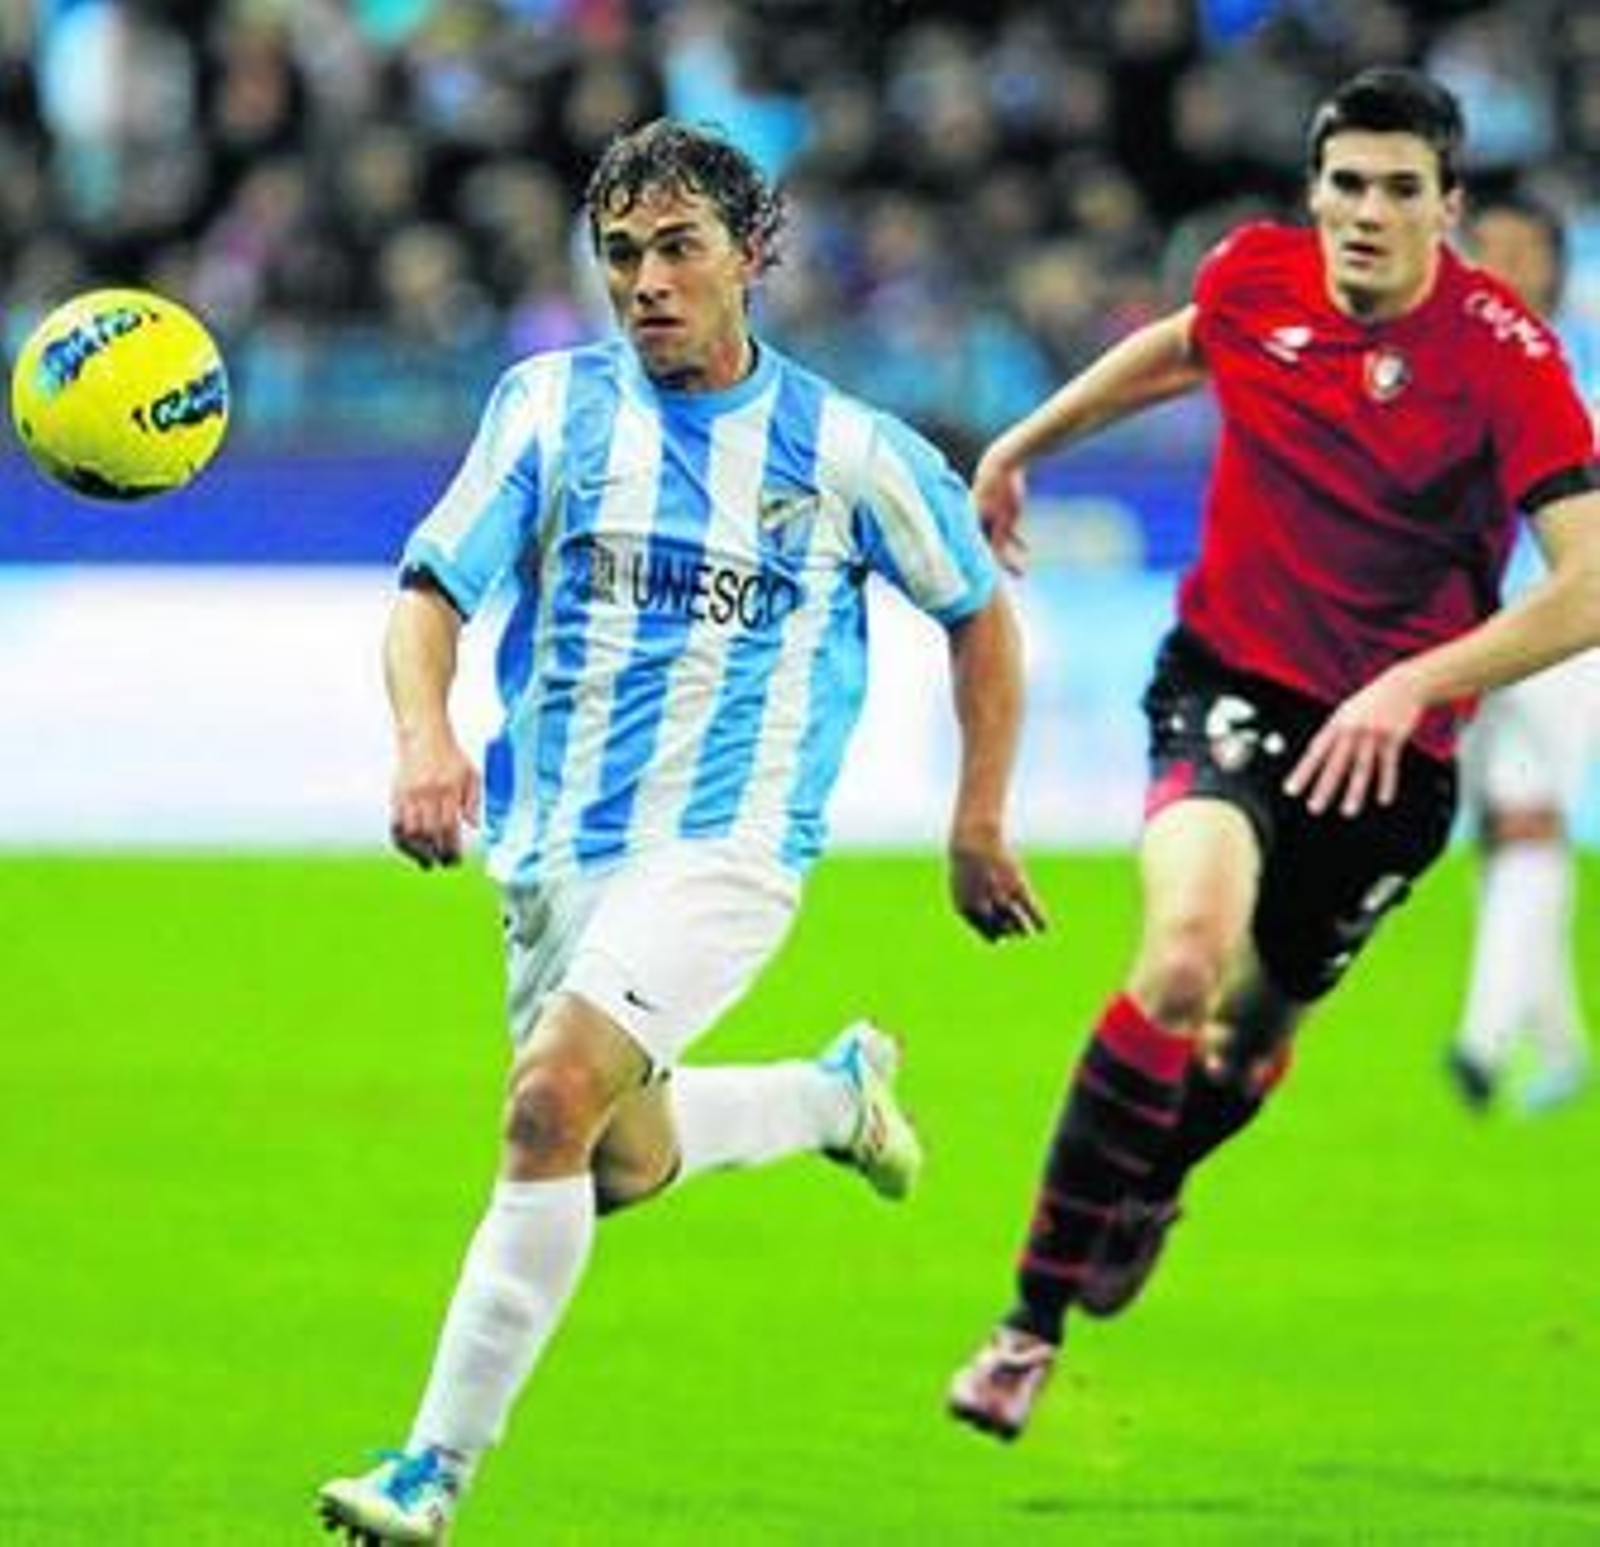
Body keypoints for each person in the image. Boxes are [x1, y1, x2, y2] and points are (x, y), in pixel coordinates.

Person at [314, 118, 1043, 1541]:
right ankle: (831, 1098)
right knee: (614, 1157)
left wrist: (979, 815)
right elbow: (428, 593)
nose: (647, 281)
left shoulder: (847, 449)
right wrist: (426, 733)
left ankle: (429, 1472)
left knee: (544, 1102)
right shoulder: (543, 407)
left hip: (730, 843)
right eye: (623, 255)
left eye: (679, 248)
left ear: (751, 255)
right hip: (550, 847)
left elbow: (978, 615)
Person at [947, 66, 1600, 1442]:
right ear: (1315, 190)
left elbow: (1589, 584)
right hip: (1228, 688)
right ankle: (1027, 1323)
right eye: (1346, 183)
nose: (1367, 212)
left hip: (1393, 760)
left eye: (1398, 188)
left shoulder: (1507, 356)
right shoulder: (1257, 275)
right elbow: (1183, 344)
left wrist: (1412, 682)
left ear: (1447, 205)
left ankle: (1152, 1176)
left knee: (1248, 1034)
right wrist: (1020, 444)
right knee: (1183, 952)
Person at [1446, 188, 1598, 1114]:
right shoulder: (1444, 359)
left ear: (1550, 266)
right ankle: (1561, 1041)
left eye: (1519, 250)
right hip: (1453, 630)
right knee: (1493, 832)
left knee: (1528, 818)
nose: (1500, 264)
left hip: (1558, 627)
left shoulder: (1573, 370)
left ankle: (1482, 1035)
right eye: (1485, 246)